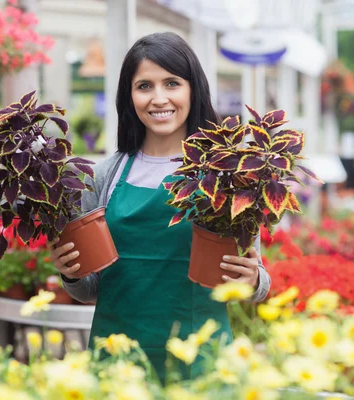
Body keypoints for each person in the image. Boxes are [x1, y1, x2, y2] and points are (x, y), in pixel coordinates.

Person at [48, 32, 271, 380]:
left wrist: (254, 279)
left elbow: (256, 278)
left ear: (192, 90)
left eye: (172, 83)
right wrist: (70, 272)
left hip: (201, 359)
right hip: (117, 360)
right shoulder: (103, 176)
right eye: (144, 86)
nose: (159, 98)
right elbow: (90, 288)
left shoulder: (225, 176)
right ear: (129, 95)